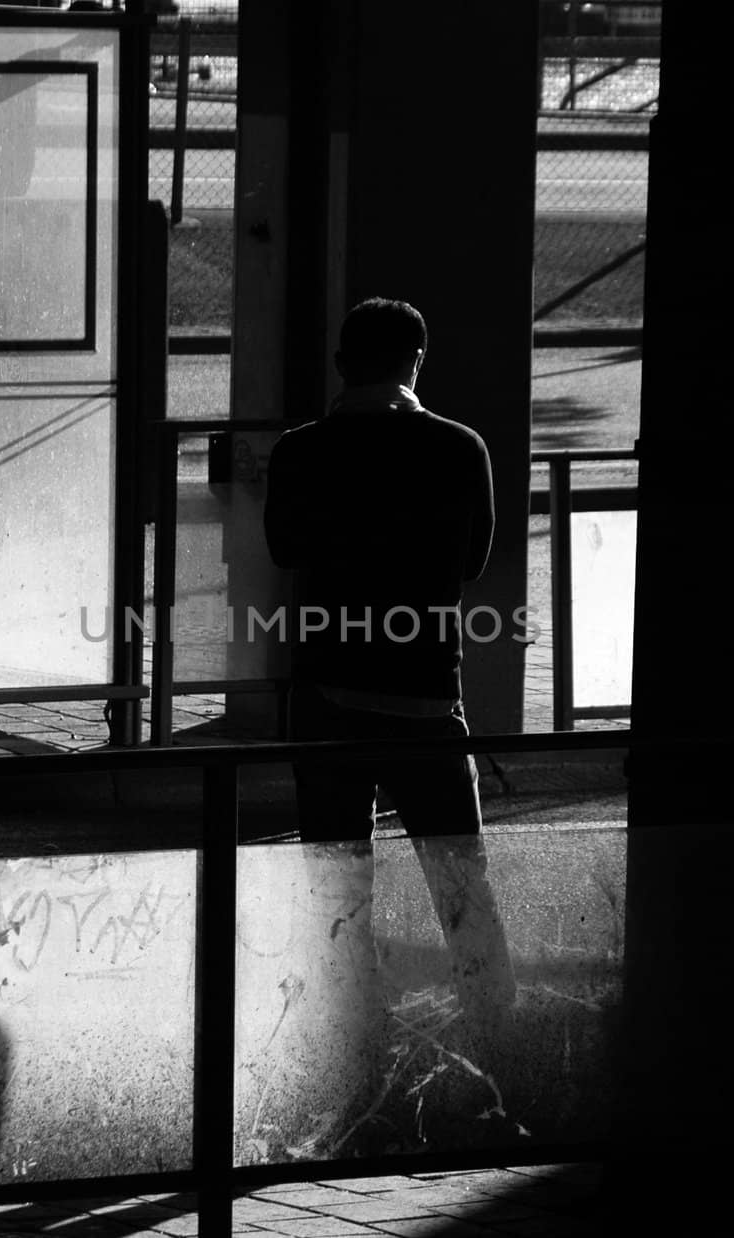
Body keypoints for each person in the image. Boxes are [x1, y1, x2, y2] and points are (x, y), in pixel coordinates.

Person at [264, 296, 517, 1088]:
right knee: (459, 880)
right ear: (417, 362)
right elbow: (472, 560)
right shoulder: (457, 447)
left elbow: (283, 546)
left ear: (342, 364)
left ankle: (344, 1046)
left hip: (329, 691)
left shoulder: (300, 451)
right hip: (424, 695)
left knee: (337, 879)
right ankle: (501, 1046)